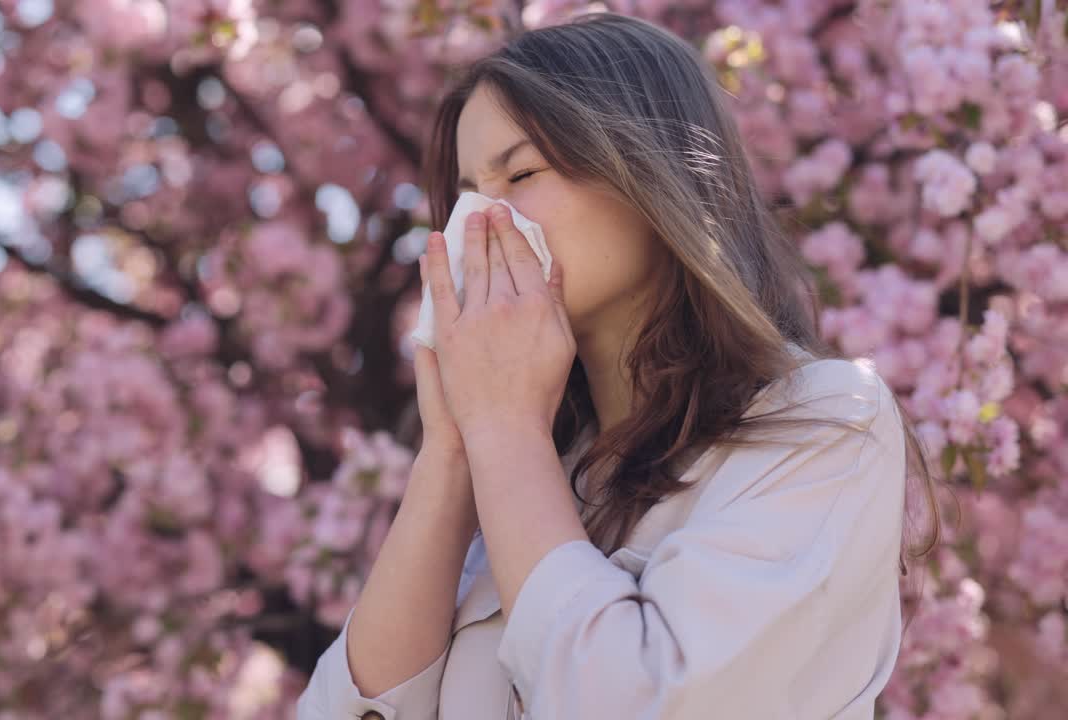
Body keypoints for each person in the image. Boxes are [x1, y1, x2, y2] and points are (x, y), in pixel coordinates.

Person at [296, 11, 940, 720]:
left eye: (521, 173)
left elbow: (636, 703)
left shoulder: (822, 425)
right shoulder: (523, 477)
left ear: (646, 177)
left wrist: (505, 431)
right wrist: (451, 453)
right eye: (469, 192)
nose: (477, 223)